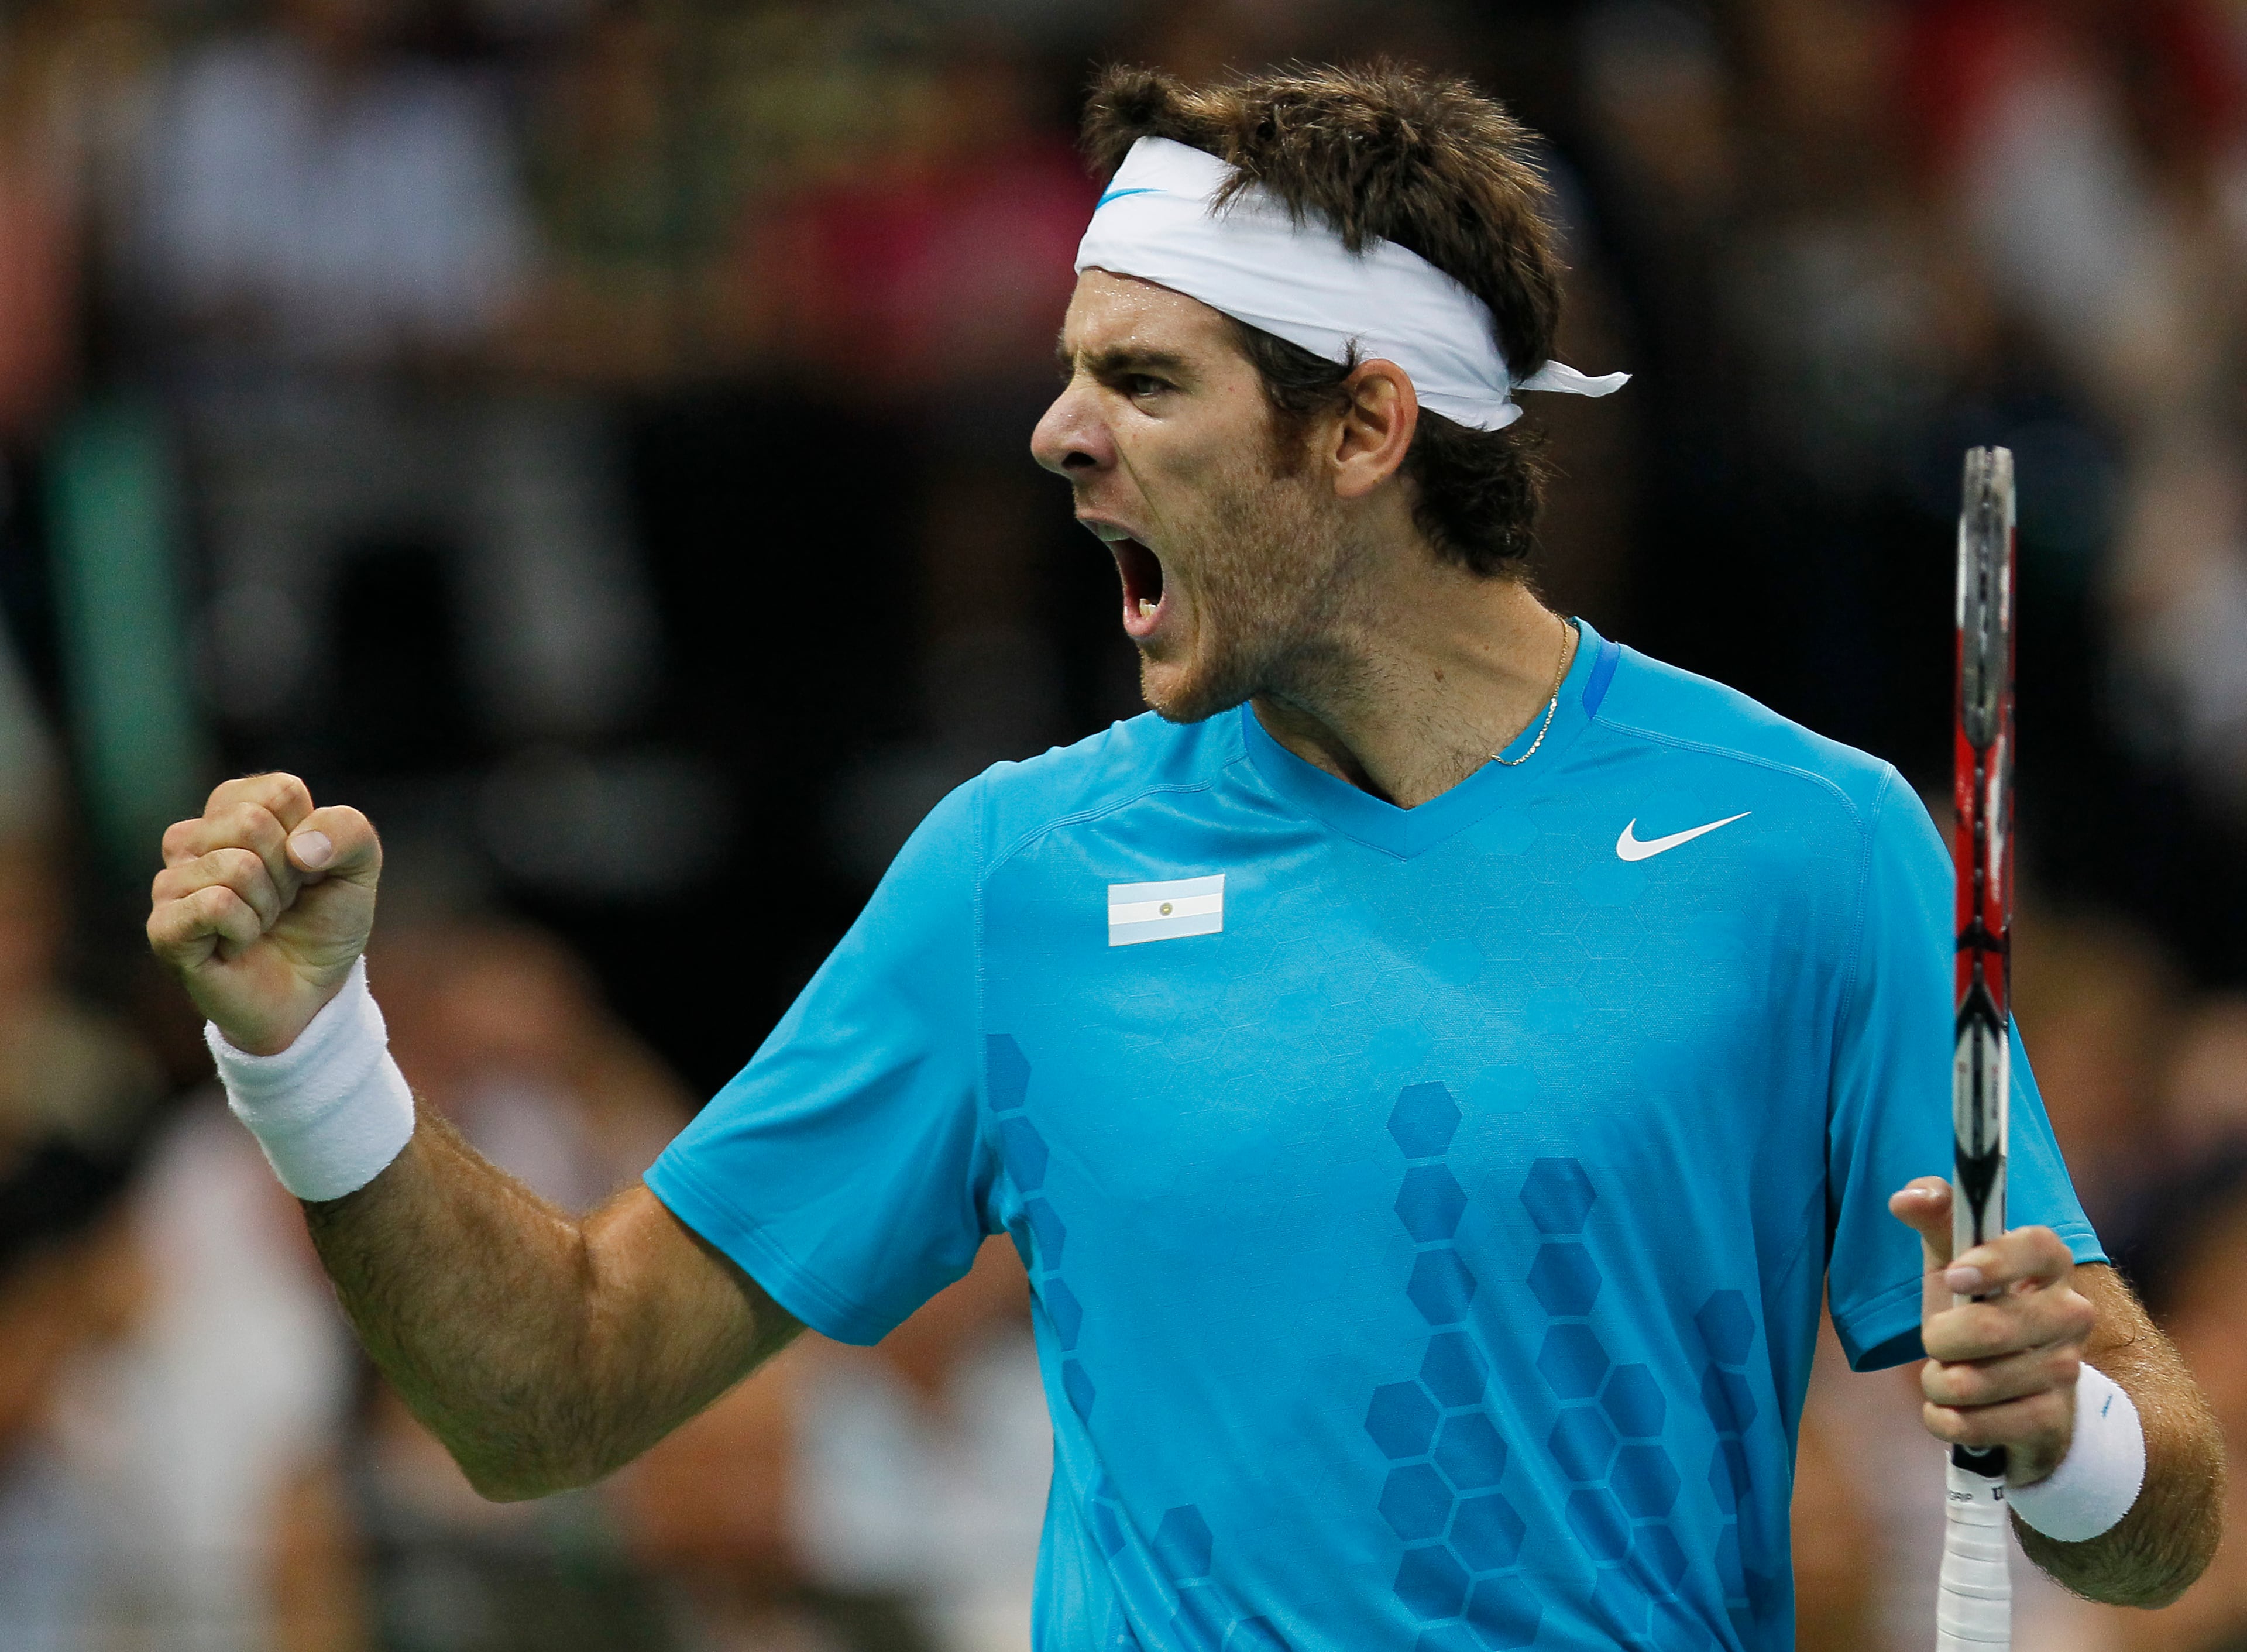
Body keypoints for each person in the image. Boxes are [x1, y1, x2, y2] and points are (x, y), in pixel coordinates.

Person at [146, 61, 2221, 1651]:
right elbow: (556, 1392)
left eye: (1142, 379)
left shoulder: (1813, 843)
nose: (1056, 436)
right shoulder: (1011, 878)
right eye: (1068, 376)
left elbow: (2166, 1517)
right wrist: (314, 1060)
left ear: (1367, 428)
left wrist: (2070, 1422)